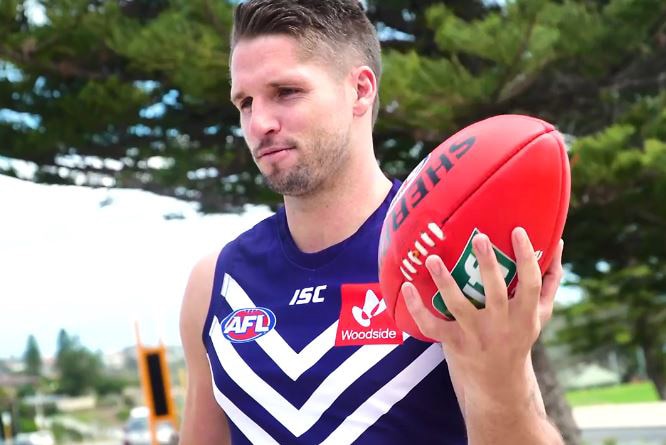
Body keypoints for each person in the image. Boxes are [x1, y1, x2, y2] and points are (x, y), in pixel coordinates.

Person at [178, 0, 566, 444]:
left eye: (286, 92)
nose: (259, 123)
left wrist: (502, 378)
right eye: (245, 102)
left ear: (361, 90)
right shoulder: (215, 284)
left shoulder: (447, 253)